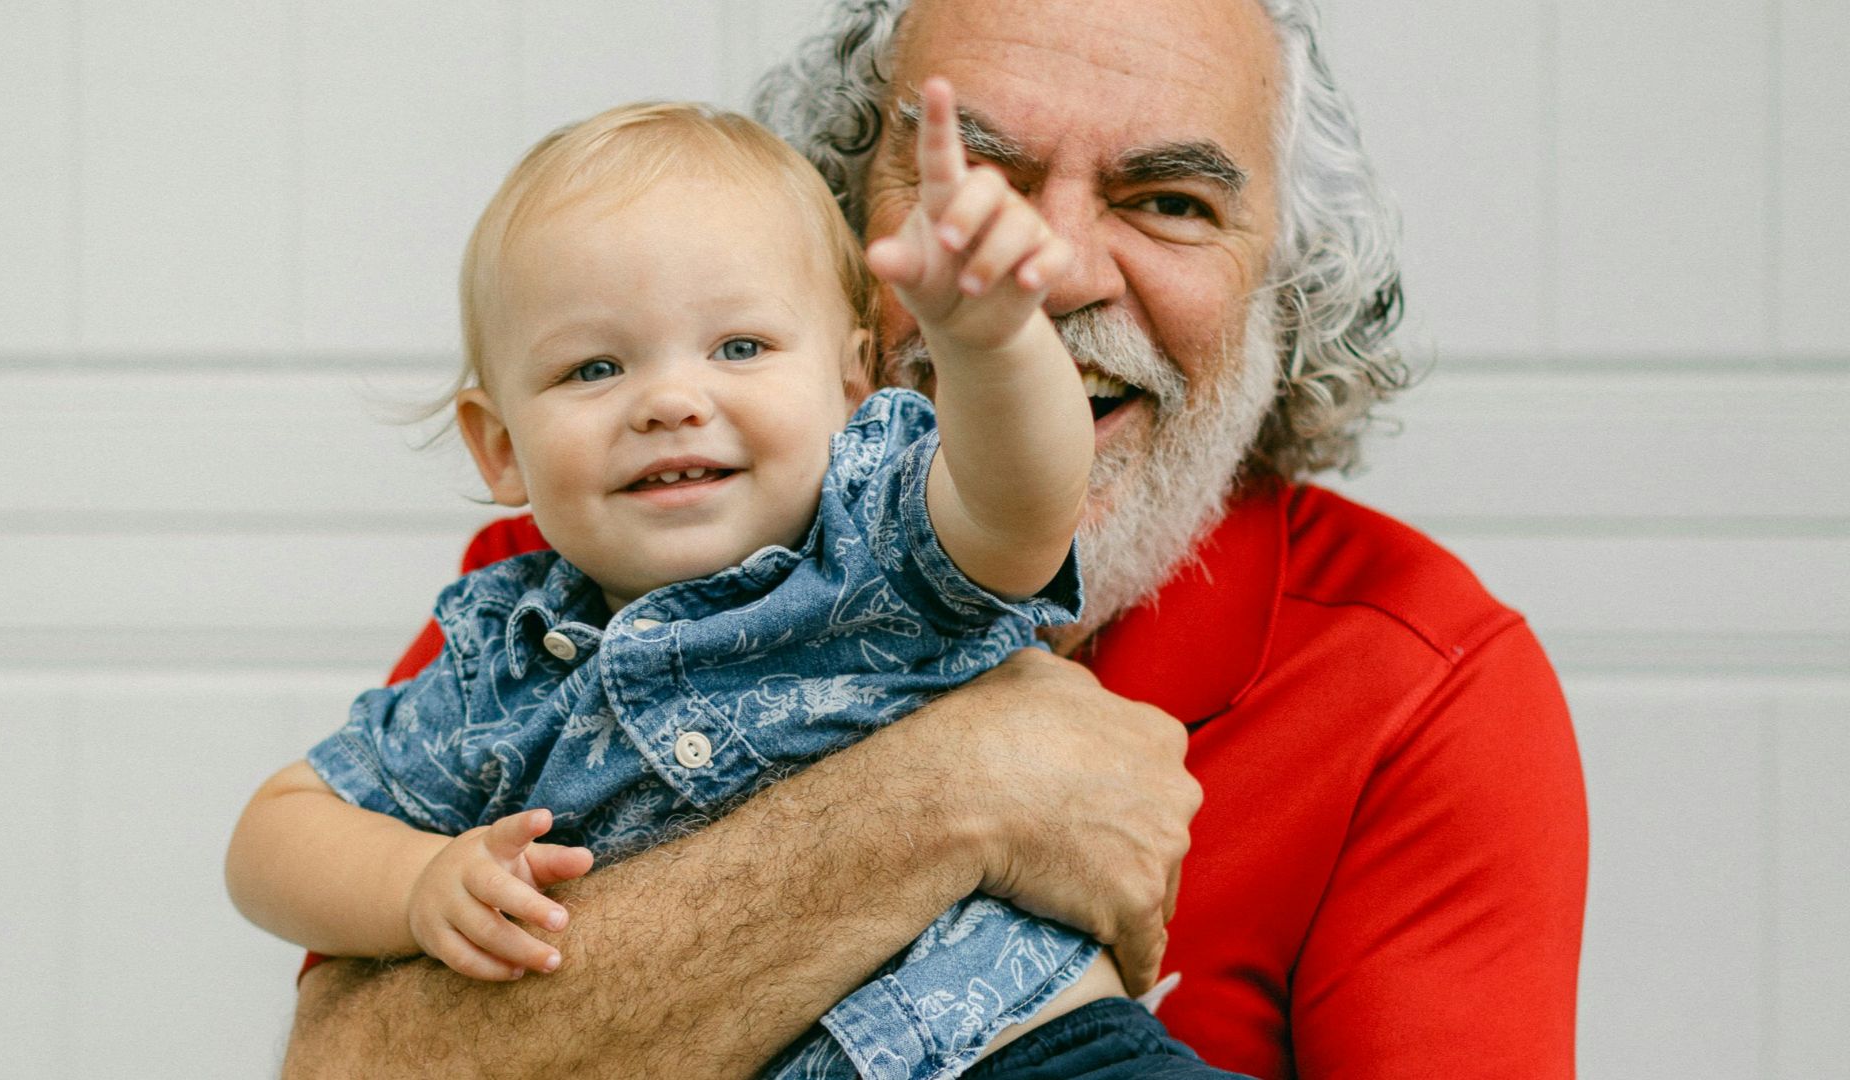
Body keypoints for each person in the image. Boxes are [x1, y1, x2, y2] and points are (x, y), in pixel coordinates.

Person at [278, 0, 1589, 1077]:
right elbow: (349, 1066)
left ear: (1286, 294)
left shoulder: (1431, 684)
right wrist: (953, 800)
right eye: (979, 178)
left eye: (1170, 201)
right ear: (845, 230)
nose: (1052, 270)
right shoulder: (581, 586)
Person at [231, 85, 1246, 1079]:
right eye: (592, 369)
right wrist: (414, 883)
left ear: (852, 385)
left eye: (741, 347)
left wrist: (989, 345)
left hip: (1030, 1050)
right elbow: (274, 835)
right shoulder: (505, 659)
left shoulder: (878, 538)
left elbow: (1025, 506)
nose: (672, 399)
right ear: (500, 447)